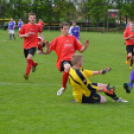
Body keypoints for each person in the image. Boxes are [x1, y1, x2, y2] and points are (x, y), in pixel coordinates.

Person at [47, 22, 89, 96]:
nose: (67, 30)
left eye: (67, 29)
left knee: (79, 77)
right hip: (63, 60)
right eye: (65, 29)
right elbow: (48, 51)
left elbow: (81, 49)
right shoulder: (57, 39)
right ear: (61, 29)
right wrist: (47, 47)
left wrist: (85, 46)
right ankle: (63, 87)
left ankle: (80, 92)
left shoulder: (73, 38)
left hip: (74, 60)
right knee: (68, 67)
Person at [19, 13, 46, 80]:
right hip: (25, 46)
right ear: (29, 18)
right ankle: (34, 64)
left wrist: (42, 40)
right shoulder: (24, 26)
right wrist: (25, 35)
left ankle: (26, 75)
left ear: (35, 19)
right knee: (28, 60)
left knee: (29, 58)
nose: (32, 19)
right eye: (31, 18)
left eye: (33, 18)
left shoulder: (37, 26)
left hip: (33, 45)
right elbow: (19, 36)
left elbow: (41, 32)